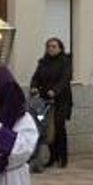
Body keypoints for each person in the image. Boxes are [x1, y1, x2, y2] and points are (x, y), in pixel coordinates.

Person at [30, 37, 73, 168]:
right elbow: (36, 77)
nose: (51, 49)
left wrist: (55, 91)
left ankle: (63, 157)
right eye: (49, 46)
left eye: (54, 46)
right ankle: (52, 156)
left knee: (59, 126)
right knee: (47, 127)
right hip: (45, 100)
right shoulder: (43, 62)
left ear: (60, 48)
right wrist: (34, 86)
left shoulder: (65, 62)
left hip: (61, 100)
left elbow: (65, 78)